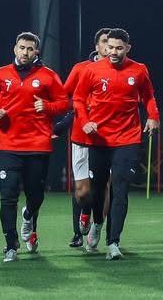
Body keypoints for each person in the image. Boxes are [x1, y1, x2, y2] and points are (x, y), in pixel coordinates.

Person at [0, 32, 70, 261]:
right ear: (15, 49)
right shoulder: (1, 74)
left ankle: (28, 215)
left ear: (36, 51)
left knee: (35, 195)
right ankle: (11, 245)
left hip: (38, 144)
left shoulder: (48, 75)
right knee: (7, 195)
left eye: (30, 49)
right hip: (8, 144)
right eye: (22, 48)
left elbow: (64, 103)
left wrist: (47, 106)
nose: (25, 52)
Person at [72, 28, 160, 260]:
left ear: (127, 48)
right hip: (99, 138)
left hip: (127, 138)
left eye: (119, 48)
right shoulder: (91, 70)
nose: (113, 52)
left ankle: (113, 242)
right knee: (97, 189)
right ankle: (97, 223)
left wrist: (153, 116)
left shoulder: (139, 70)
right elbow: (78, 99)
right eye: (110, 47)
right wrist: (85, 122)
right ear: (104, 47)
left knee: (120, 189)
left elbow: (148, 96)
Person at [59, 27, 112, 247]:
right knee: (82, 192)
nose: (109, 46)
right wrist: (81, 108)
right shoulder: (81, 68)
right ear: (97, 46)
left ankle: (96, 231)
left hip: (109, 138)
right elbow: (63, 96)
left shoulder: (123, 70)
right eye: (105, 41)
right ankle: (84, 214)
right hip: (82, 135)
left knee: (105, 185)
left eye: (112, 42)